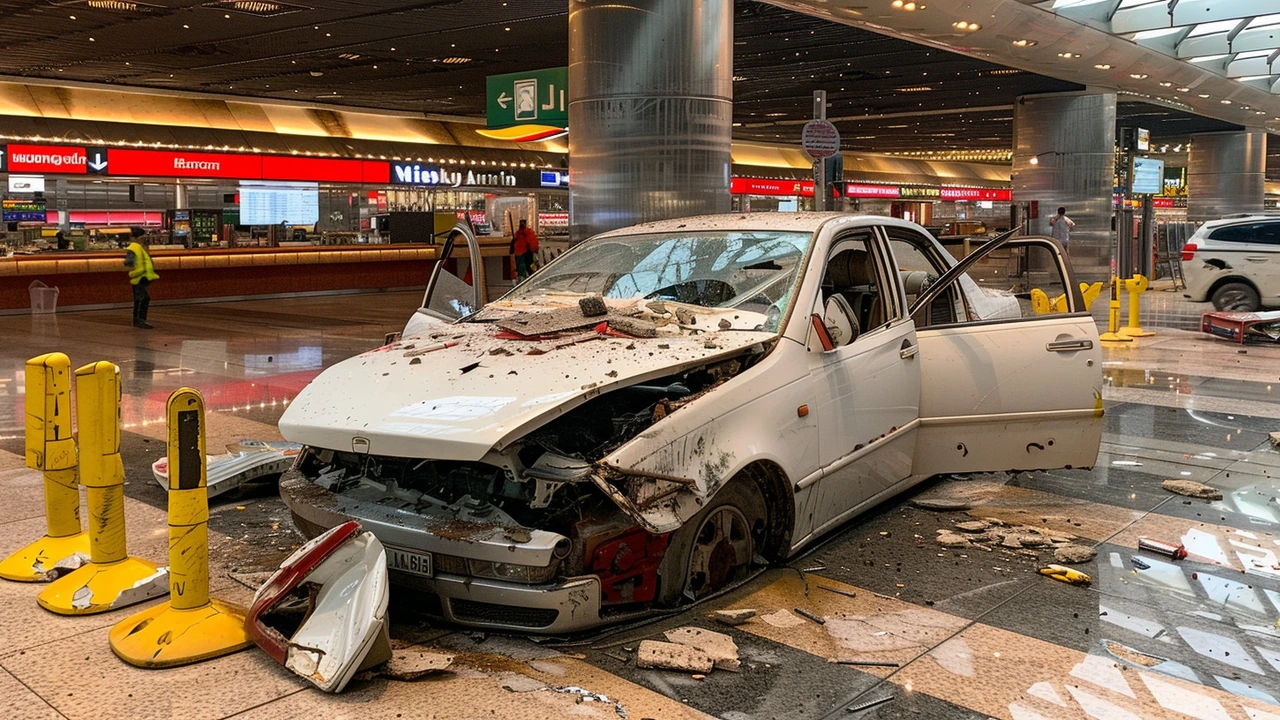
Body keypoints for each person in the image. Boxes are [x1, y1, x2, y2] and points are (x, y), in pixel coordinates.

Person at [123, 228, 159, 329]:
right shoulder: (134, 248)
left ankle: (139, 320)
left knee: (141, 298)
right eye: (143, 235)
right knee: (142, 298)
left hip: (142, 276)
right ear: (138, 236)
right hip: (138, 276)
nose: (145, 237)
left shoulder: (139, 247)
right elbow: (128, 262)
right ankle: (139, 320)